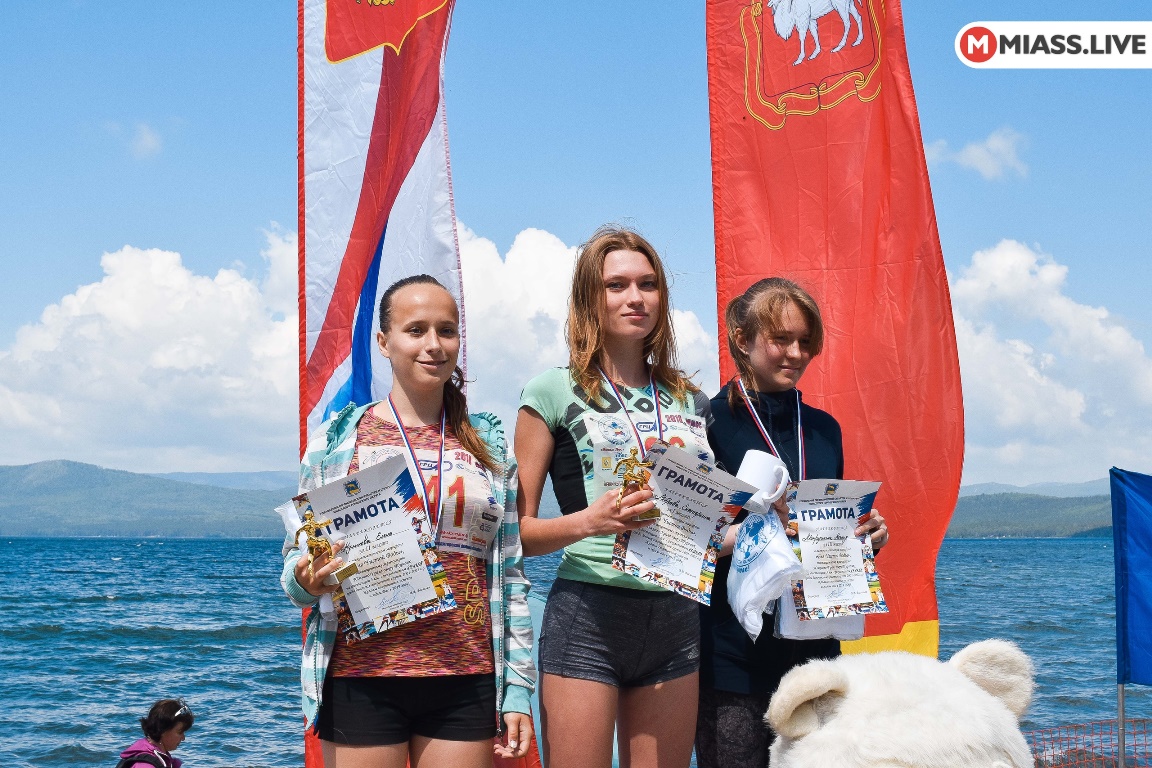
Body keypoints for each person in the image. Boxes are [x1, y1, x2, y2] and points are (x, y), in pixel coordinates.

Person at [280, 275, 535, 768]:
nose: (434, 344)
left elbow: (511, 574)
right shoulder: (337, 443)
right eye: (415, 330)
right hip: (361, 673)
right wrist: (308, 578)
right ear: (384, 342)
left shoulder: (488, 445)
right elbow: (295, 572)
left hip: (465, 672)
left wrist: (519, 687)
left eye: (447, 330)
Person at [515, 226, 712, 768]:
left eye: (647, 285)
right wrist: (587, 523)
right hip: (588, 613)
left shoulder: (691, 399)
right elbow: (514, 536)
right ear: (589, 299)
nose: (635, 298)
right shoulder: (551, 391)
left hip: (676, 614)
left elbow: (715, 521)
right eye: (616, 285)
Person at [694, 277, 890, 768]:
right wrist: (753, 537)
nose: (796, 353)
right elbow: (686, 539)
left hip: (815, 654)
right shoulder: (705, 423)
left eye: (806, 342)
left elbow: (826, 531)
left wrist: (866, 537)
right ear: (742, 338)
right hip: (731, 653)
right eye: (781, 339)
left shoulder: (825, 429)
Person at [116, 699, 194, 768]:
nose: (183, 738)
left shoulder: (160, 759)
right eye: (180, 732)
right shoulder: (145, 765)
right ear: (163, 730)